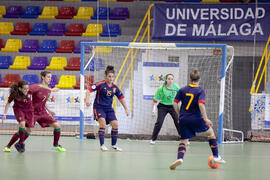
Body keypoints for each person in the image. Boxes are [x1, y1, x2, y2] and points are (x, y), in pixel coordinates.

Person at [169, 69, 225, 170]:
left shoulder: (182, 90)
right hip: (196, 118)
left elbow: (174, 103)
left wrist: (180, 114)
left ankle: (180, 158)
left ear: (190, 79)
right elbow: (200, 104)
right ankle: (216, 156)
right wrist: (206, 118)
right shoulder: (200, 90)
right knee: (211, 133)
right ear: (199, 79)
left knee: (183, 140)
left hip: (183, 119)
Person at [86, 65, 129, 152]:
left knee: (115, 124)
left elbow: (121, 98)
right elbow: (88, 90)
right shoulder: (100, 84)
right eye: (109, 76)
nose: (111, 78)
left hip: (109, 108)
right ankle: (102, 145)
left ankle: (114, 145)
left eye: (112, 76)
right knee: (103, 123)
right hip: (99, 107)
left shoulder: (115, 87)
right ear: (106, 76)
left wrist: (126, 109)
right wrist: (87, 99)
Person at [30, 71, 66, 152]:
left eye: (51, 77)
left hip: (43, 112)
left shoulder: (49, 90)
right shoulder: (37, 87)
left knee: (57, 126)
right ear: (43, 77)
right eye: (48, 77)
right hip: (33, 112)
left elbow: (43, 101)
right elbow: (38, 87)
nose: (50, 79)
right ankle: (18, 143)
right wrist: (52, 90)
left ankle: (56, 145)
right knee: (27, 130)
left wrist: (49, 110)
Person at [2, 80, 34, 153]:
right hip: (19, 110)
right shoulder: (14, 94)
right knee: (22, 123)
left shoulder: (30, 91)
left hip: (29, 111)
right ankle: (21, 143)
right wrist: (4, 114)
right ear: (20, 88)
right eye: (24, 89)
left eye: (27, 88)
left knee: (28, 130)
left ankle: (10, 145)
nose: (26, 90)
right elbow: (8, 103)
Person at [150, 74, 181, 145]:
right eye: (169, 79)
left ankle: (183, 137)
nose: (170, 80)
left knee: (178, 121)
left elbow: (181, 95)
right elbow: (155, 99)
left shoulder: (176, 87)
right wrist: (154, 109)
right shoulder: (161, 88)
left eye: (172, 79)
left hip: (173, 106)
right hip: (162, 107)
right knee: (159, 123)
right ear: (166, 80)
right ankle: (153, 139)